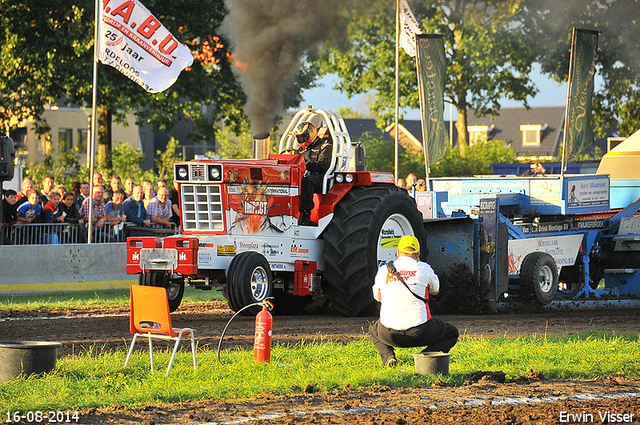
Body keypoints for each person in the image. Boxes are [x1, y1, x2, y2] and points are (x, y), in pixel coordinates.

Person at [369, 235, 459, 367]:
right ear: (418, 255)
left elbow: (377, 298)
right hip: (421, 332)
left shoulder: (384, 271)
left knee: (373, 329)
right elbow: (435, 290)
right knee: (452, 332)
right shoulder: (424, 268)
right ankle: (425, 357)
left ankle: (388, 357)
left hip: (389, 334)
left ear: (398, 253)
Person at [294, 121, 332, 226]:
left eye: (304, 137)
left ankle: (306, 214)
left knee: (306, 181)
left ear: (311, 134)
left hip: (319, 178)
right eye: (299, 138)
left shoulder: (325, 147)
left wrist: (307, 166)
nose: (301, 141)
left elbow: (323, 165)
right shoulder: (299, 150)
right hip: (302, 175)